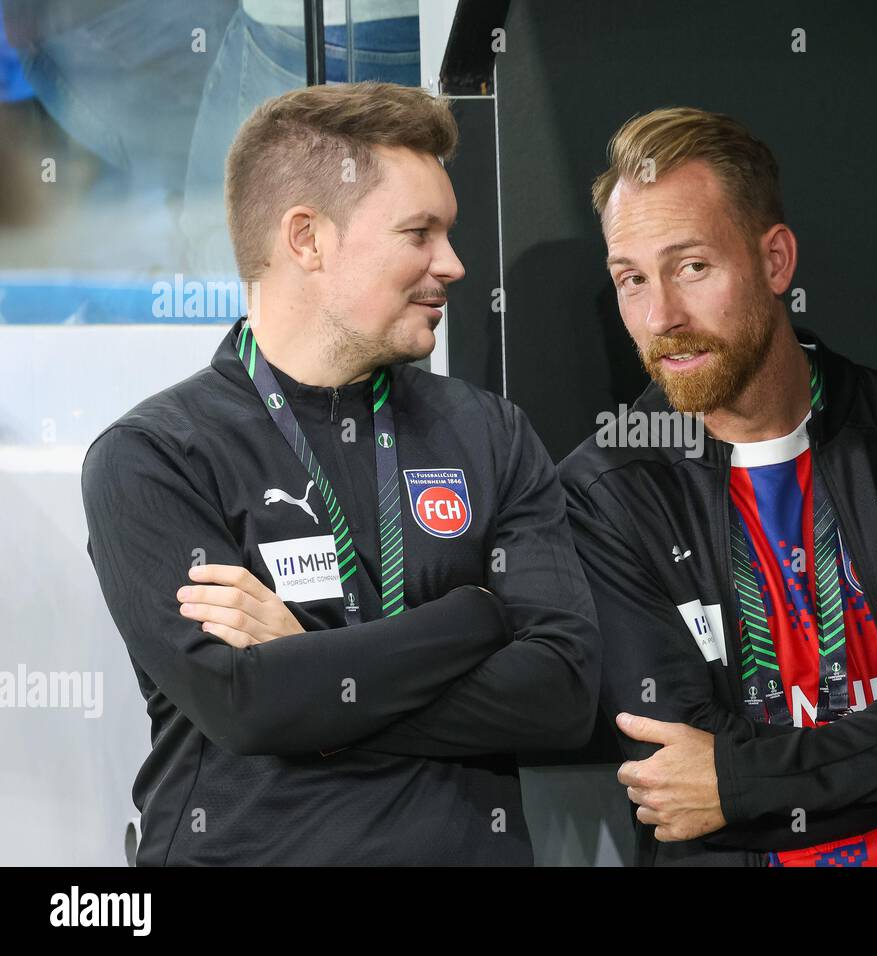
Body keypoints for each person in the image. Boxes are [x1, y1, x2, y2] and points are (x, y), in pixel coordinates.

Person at [80, 82, 600, 865]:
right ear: (307, 239)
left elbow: (562, 697)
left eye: (448, 233)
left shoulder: (489, 432)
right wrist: (475, 617)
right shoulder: (153, 454)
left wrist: (314, 672)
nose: (453, 264)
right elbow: (247, 704)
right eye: (419, 233)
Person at [559, 107, 877, 866]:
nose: (661, 315)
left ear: (776, 261)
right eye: (631, 279)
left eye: (692, 266)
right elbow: (681, 785)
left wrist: (739, 778)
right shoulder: (602, 491)